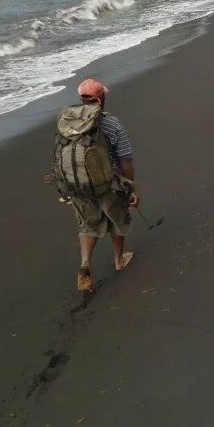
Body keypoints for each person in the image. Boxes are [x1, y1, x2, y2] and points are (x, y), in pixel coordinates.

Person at [66, 78, 139, 293]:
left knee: (88, 224)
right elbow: (124, 159)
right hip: (109, 184)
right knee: (117, 220)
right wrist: (131, 187)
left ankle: (85, 263)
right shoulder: (111, 123)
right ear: (101, 98)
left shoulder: (68, 121)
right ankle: (119, 260)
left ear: (82, 99)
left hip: (78, 184)